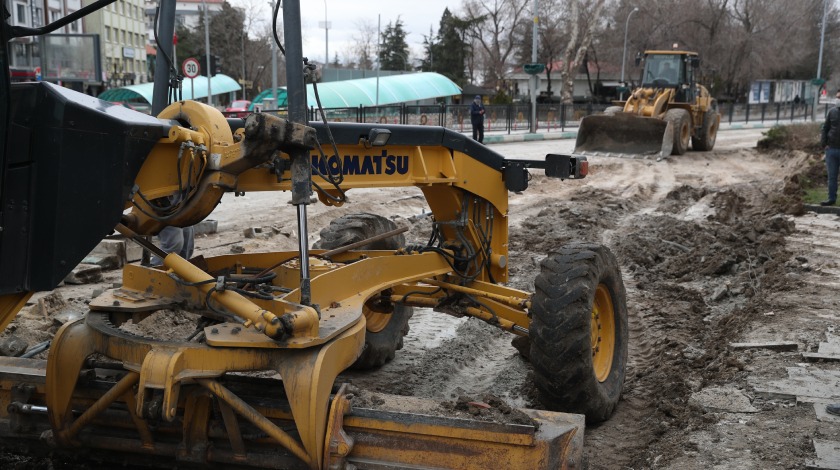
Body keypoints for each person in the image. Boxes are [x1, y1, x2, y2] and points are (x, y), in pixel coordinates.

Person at [820, 89, 840, 206]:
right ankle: (831, 198)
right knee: (832, 177)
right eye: (837, 97)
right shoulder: (832, 112)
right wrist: (824, 144)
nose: (838, 100)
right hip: (831, 149)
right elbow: (825, 128)